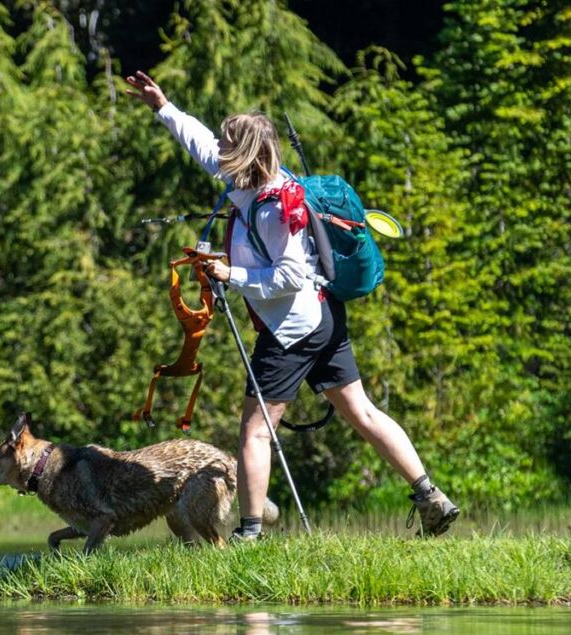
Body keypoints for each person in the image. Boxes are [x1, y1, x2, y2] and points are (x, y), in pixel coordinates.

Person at [124, 70, 460, 537]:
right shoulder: (252, 185)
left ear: (242, 153)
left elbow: (289, 275)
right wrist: (163, 107)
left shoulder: (275, 208)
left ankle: (248, 534)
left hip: (291, 329)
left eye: (227, 144)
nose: (219, 150)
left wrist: (230, 274)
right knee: (360, 411)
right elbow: (200, 145)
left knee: (255, 431)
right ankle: (430, 496)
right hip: (320, 317)